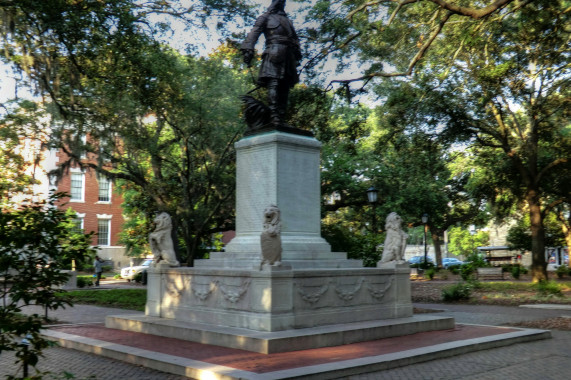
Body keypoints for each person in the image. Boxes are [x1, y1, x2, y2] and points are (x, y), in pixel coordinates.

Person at [241, 0, 301, 125]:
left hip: (288, 56)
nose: (281, 3)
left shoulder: (287, 21)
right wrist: (248, 49)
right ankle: (274, 116)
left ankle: (281, 116)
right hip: (274, 52)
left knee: (285, 86)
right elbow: (254, 33)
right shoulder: (265, 17)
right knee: (274, 83)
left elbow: (294, 39)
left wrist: (297, 53)